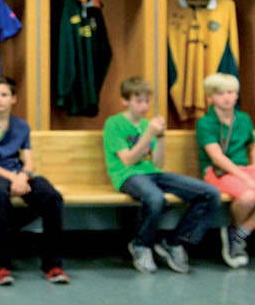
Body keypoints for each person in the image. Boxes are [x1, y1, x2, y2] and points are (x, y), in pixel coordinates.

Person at [104, 76, 220, 274]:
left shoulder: (147, 124)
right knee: (155, 198)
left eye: (147, 101)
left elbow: (157, 163)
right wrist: (149, 135)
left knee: (210, 194)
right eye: (138, 101)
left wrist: (161, 137)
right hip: (127, 175)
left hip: (153, 173)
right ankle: (141, 245)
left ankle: (174, 242)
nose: (144, 106)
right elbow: (128, 160)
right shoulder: (114, 124)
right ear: (125, 101)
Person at [0, 76, 69, 285]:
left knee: (52, 197)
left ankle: (53, 265)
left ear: (13, 99)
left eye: (4, 95)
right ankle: (0, 266)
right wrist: (13, 178)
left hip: (18, 173)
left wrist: (23, 176)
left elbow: (29, 163)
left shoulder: (21, 126)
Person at [195, 72, 255, 268]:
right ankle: (236, 236)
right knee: (248, 197)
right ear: (210, 98)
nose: (227, 97)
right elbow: (217, 158)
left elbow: (252, 145)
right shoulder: (205, 123)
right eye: (220, 94)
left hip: (243, 169)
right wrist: (246, 179)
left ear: (237, 95)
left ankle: (238, 234)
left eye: (230, 92)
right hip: (217, 172)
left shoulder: (244, 119)